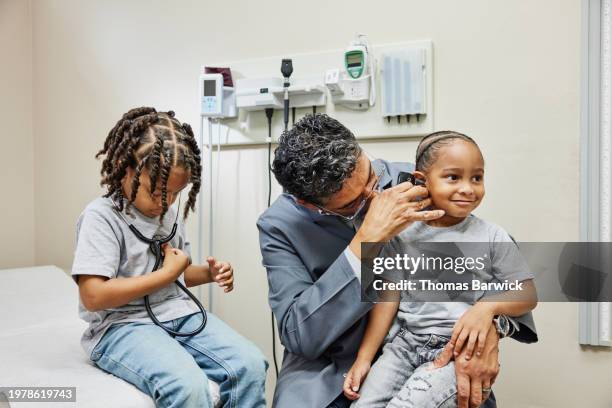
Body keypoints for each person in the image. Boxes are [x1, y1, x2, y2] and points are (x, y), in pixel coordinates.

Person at [257, 114, 537, 408]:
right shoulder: (280, 225)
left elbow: (507, 279)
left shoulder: (425, 180)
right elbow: (300, 335)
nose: (374, 197)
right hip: (331, 364)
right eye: (353, 205)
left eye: (370, 179)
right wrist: (365, 243)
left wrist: (490, 325)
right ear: (309, 205)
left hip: (438, 344)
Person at [72, 107, 267, 408]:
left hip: (176, 311)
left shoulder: (167, 213)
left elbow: (177, 273)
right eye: (157, 192)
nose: (166, 203)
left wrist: (207, 273)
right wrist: (166, 274)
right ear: (126, 169)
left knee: (251, 365)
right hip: (122, 326)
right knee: (188, 387)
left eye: (176, 194)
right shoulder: (102, 218)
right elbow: (93, 295)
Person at [342, 131, 538, 407]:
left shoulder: (492, 235)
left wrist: (486, 308)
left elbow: (527, 293)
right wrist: (364, 359)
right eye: (453, 177)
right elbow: (388, 296)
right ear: (423, 180)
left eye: (477, 178)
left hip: (456, 350)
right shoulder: (403, 234)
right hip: (403, 346)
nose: (468, 188)